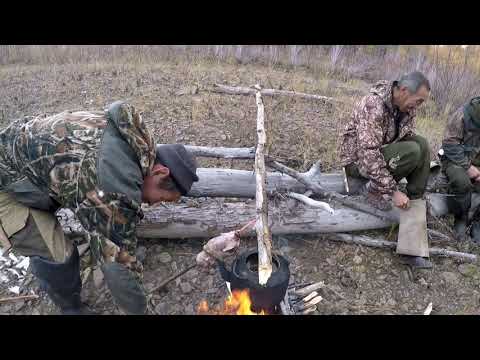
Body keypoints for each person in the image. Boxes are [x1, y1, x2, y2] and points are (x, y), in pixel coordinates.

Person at [0, 101, 199, 314]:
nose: (155, 203)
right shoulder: (111, 181)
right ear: (160, 172)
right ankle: (71, 309)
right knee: (60, 255)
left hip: (23, 164)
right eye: (164, 198)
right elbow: (117, 265)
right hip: (6, 186)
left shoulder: (132, 141)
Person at [338, 71, 432, 268]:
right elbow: (368, 154)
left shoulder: (406, 108)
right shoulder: (373, 105)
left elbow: (406, 136)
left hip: (380, 155)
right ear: (404, 90)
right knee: (413, 150)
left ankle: (413, 213)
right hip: (357, 163)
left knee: (422, 145)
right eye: (419, 101)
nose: (418, 106)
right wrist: (394, 191)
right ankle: (373, 190)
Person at [440, 96, 480, 243]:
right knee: (461, 182)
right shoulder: (463, 114)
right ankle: (461, 218)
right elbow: (449, 144)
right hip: (455, 159)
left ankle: (477, 222)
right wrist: (468, 167)